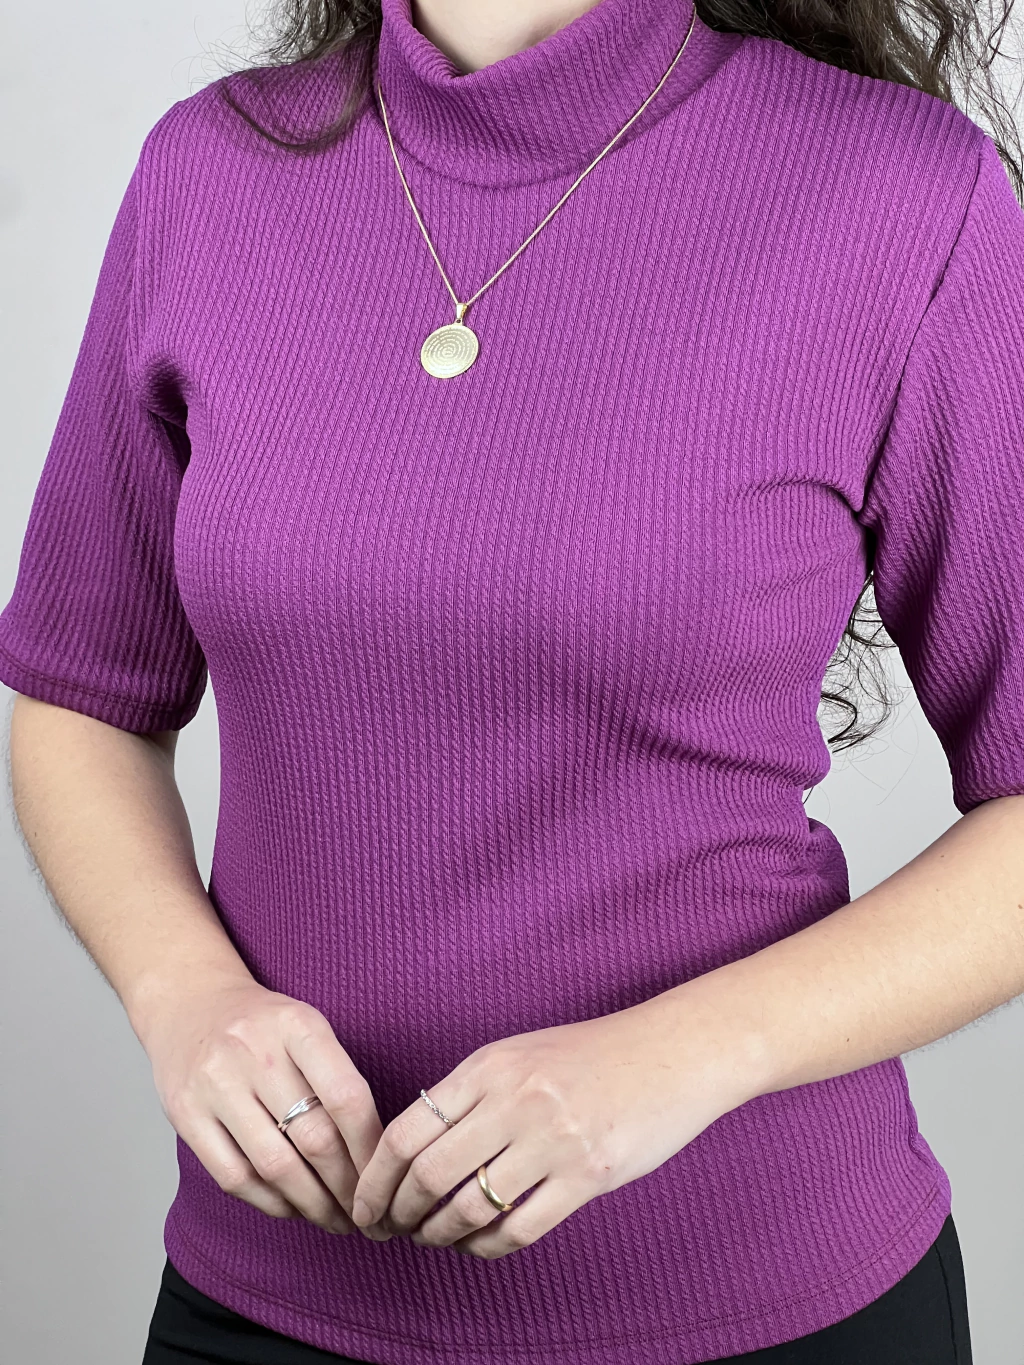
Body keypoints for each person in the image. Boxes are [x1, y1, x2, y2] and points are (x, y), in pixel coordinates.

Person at [2, 0, 1022, 1358]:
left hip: (755, 1300)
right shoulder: (211, 170)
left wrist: (680, 1057)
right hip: (265, 1300)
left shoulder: (905, 192)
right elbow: (82, 694)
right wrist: (182, 994)